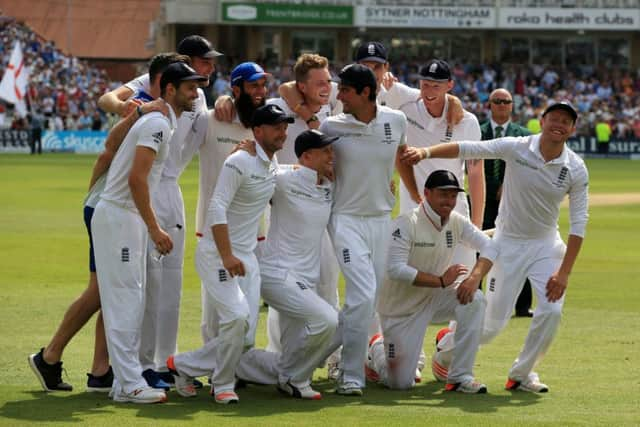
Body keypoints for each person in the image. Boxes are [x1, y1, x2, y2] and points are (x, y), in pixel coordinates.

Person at [406, 101, 589, 393]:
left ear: (572, 129)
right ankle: (446, 348)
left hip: (546, 244)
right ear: (541, 121)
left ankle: (521, 373)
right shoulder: (517, 147)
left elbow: (579, 225)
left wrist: (564, 273)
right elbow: (468, 148)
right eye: (553, 117)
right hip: (507, 244)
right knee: (491, 327)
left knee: (552, 312)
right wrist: (426, 152)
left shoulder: (575, 168)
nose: (559, 124)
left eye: (565, 121)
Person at [27, 53, 177, 393]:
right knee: (106, 289)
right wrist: (94, 198)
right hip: (110, 203)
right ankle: (50, 357)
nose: (202, 81)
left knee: (111, 288)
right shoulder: (143, 99)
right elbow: (108, 137)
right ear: (166, 82)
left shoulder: (166, 107)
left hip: (118, 204)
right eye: (195, 74)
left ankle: (98, 371)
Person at [98, 35, 222, 388]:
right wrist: (134, 106)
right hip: (139, 194)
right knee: (139, 287)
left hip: (170, 190)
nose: (209, 70)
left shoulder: (197, 96)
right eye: (203, 62)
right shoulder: (154, 89)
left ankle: (163, 362)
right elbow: (108, 100)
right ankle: (138, 367)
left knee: (168, 284)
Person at [167, 104, 292, 404]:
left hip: (246, 257)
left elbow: (287, 173)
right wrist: (226, 255)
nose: (283, 132)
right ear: (257, 132)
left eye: (285, 126)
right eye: (276, 126)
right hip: (217, 254)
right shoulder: (239, 161)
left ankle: (180, 366)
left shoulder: (271, 164)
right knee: (236, 317)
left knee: (246, 336)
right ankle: (223, 383)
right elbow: (216, 207)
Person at [315, 64, 411, 396]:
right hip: (345, 218)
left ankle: (303, 359)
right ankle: (351, 376)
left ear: (366, 93)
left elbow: (399, 158)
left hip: (382, 219)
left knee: (364, 302)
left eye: (345, 90)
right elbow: (314, 162)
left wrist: (404, 193)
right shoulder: (331, 125)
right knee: (363, 294)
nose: (338, 95)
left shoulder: (396, 121)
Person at [367, 170, 495, 393]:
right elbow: (395, 269)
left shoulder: (457, 221)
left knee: (475, 300)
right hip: (400, 309)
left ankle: (459, 376)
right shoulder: (406, 223)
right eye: (443, 194)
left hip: (434, 298)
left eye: (453, 195)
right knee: (400, 383)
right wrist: (440, 281)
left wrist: (474, 278)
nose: (449, 201)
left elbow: (491, 247)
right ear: (426, 193)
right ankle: (376, 349)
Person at [190, 61, 269, 349]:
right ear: (236, 89)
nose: (260, 92)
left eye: (263, 85)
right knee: (215, 309)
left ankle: (238, 365)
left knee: (247, 308)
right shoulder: (211, 120)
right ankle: (212, 370)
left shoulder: (266, 125)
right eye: (253, 86)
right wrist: (222, 100)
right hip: (213, 230)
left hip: (254, 233)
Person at [482, 88, 533, 318]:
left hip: (513, 203)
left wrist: (509, 186)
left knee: (519, 248)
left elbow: (531, 167)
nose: (502, 105)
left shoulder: (523, 134)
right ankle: (475, 299)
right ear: (489, 105)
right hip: (481, 200)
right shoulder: (477, 131)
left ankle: (522, 305)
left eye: (506, 101)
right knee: (477, 245)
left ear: (512, 105)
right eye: (497, 101)